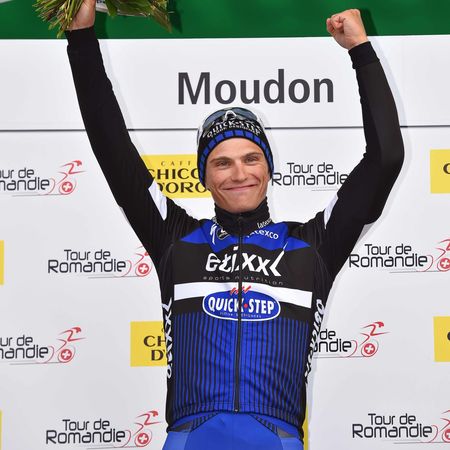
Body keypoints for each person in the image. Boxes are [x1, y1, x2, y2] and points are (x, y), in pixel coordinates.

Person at [65, 4, 404, 449]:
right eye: (222, 162)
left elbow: (385, 159)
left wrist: (360, 50)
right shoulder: (176, 240)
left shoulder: (312, 246)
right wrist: (81, 39)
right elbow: (111, 146)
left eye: (251, 158)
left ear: (269, 168)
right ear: (204, 176)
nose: (239, 173)